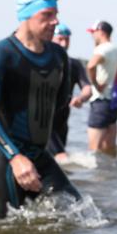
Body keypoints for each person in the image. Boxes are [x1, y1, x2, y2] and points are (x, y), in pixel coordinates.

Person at [0, 0, 81, 220]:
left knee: (79, 215)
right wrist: (15, 157)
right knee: (2, 233)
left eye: (56, 15)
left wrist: (58, 148)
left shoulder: (58, 56)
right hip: (5, 158)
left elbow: (60, 108)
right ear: (25, 16)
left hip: (39, 155)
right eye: (46, 15)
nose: (55, 21)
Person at [47, 23, 93, 163]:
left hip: (62, 122)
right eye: (60, 39)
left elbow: (87, 88)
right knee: (62, 158)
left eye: (67, 39)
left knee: (58, 162)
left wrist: (81, 98)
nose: (64, 43)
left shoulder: (74, 64)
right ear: (50, 38)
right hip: (43, 123)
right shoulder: (41, 62)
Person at [85, 20, 117, 155]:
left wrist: (96, 84)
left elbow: (90, 65)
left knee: (93, 149)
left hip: (101, 101)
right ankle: (111, 173)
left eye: (93, 33)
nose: (92, 36)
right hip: (114, 102)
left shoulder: (103, 49)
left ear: (101, 32)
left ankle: (96, 175)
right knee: (110, 148)